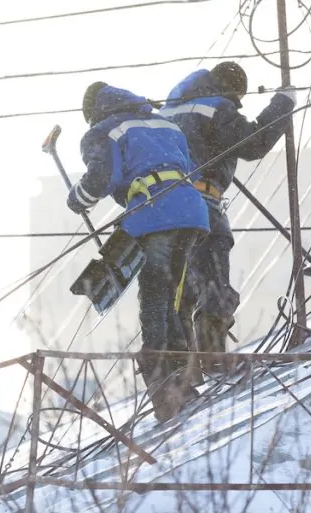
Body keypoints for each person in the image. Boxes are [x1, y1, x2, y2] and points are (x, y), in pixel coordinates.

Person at [67, 82, 210, 422]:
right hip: (192, 212)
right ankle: (181, 377)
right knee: (172, 297)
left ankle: (164, 383)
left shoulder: (104, 131)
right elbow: (193, 168)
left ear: (92, 112)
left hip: (156, 213)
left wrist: (77, 199)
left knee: (155, 297)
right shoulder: (163, 123)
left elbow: (101, 177)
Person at [159, 61, 297, 367]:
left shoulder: (168, 113)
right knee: (213, 285)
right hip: (200, 205)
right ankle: (213, 360)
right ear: (232, 89)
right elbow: (254, 142)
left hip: (162, 213)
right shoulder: (216, 107)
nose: (236, 106)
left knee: (182, 291)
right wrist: (282, 104)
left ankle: (182, 375)